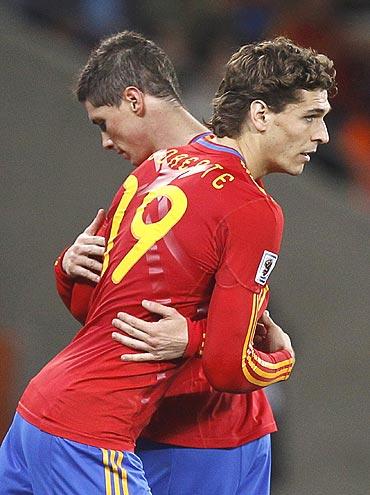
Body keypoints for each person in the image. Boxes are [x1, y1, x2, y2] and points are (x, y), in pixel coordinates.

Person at [0, 32, 336, 495]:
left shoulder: (157, 168)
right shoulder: (250, 205)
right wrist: (281, 358)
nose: (322, 135)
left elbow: (93, 306)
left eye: (103, 122)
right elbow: (230, 356)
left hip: (49, 409)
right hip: (134, 431)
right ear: (260, 115)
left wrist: (68, 269)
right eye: (312, 117)